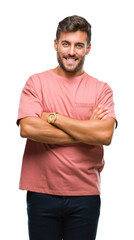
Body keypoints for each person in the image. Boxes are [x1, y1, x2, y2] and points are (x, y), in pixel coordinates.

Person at [17, 15, 117, 240]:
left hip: (85, 194)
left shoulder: (101, 89)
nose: (71, 51)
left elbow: (105, 134)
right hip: (42, 193)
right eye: (66, 44)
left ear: (88, 48)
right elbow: (28, 129)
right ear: (56, 44)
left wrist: (52, 117)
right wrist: (87, 131)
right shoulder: (36, 83)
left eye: (78, 45)